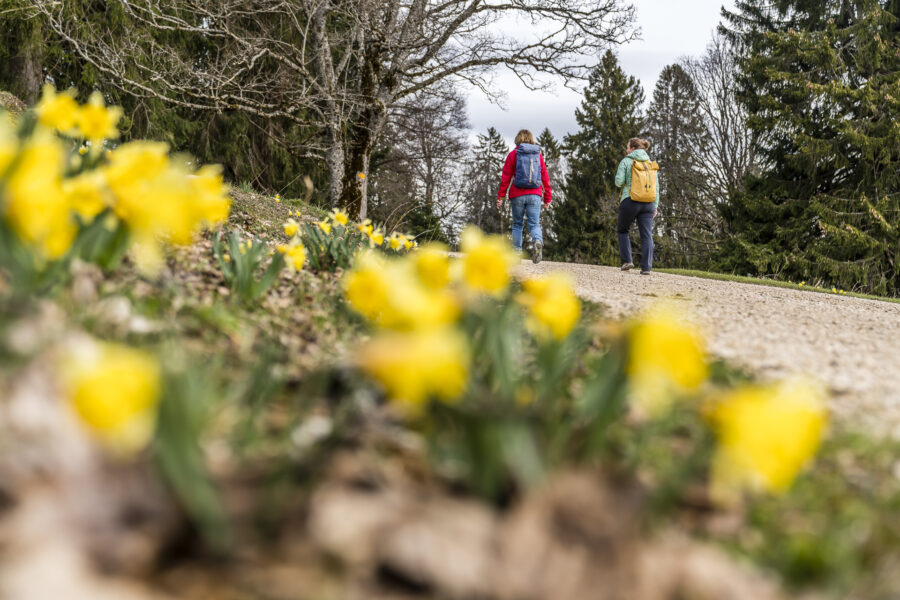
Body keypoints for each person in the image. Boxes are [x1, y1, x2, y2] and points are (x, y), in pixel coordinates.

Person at [497, 129, 552, 264]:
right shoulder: (538, 155)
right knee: (534, 224)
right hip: (535, 194)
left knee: (517, 224)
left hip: (517, 194)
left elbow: (506, 177)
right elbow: (545, 177)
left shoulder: (513, 155)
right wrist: (547, 198)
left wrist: (501, 197)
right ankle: (537, 241)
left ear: (517, 139)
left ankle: (516, 253)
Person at [614, 138, 659, 275]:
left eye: (628, 147)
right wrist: (655, 206)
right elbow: (656, 187)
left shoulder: (627, 161)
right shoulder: (650, 163)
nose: (626, 150)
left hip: (630, 200)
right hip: (648, 203)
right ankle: (646, 268)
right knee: (646, 235)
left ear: (633, 149)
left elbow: (618, 182)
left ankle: (627, 261)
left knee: (623, 230)